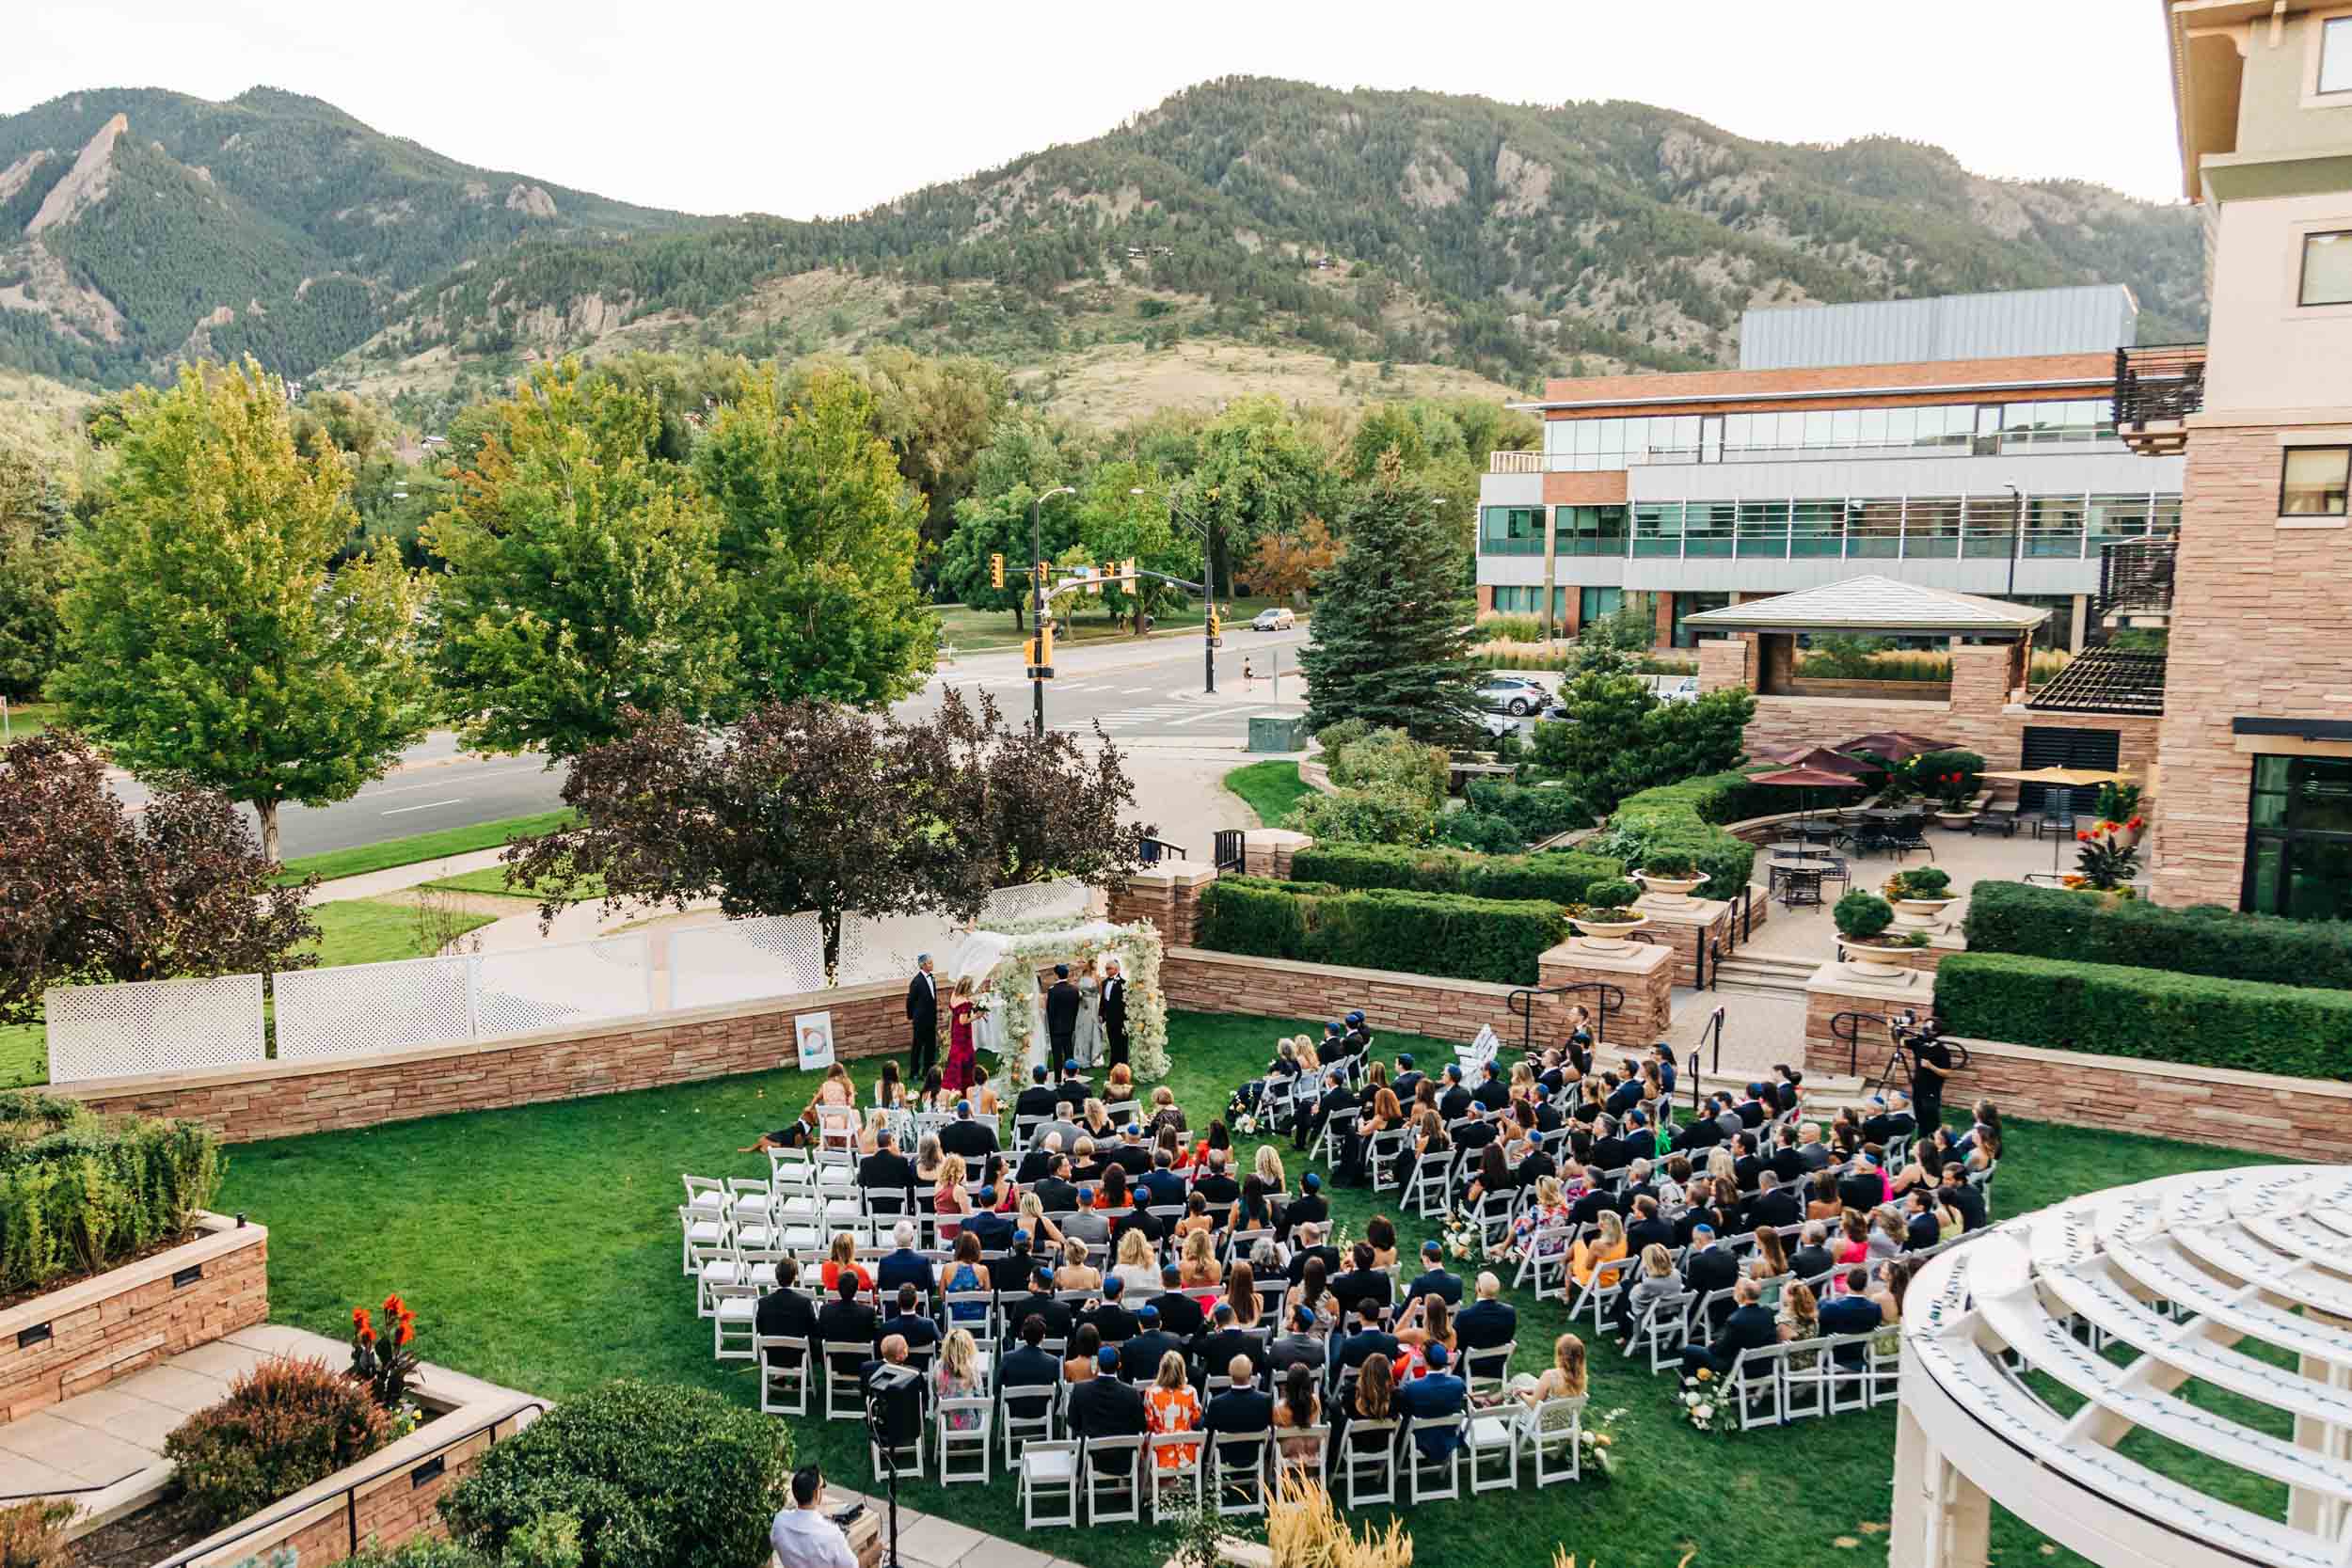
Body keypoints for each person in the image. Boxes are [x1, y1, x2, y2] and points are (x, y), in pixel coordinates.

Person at [1070, 1346, 1150, 1473]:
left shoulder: (1080, 1390)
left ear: (1098, 1365)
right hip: (1123, 1460)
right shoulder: (1132, 1393)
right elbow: (1141, 1427)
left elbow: (1073, 1423)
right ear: (1119, 1365)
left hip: (1090, 1458)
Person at [1678, 1277, 1778, 1377]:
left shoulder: (1735, 1320)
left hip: (1739, 1367)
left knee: (1688, 1350)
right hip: (1765, 1366)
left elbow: (1720, 1350)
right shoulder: (1768, 1312)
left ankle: (1688, 1388)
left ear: (1740, 1294)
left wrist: (1713, 1345)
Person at [771, 1464, 856, 1568]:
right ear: (816, 1493)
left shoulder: (780, 1522)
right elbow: (853, 1566)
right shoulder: (832, 1535)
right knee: (872, 1551)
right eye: (822, 1486)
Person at [1393, 1342, 1467, 1459]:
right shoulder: (1458, 1383)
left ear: (1424, 1361)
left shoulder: (1411, 1387)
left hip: (1420, 1438)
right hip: (1448, 1435)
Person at [1611, 1243, 1681, 1344]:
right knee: (1628, 1285)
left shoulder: (1649, 1283)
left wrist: (1637, 1286)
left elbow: (1635, 1301)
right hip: (1669, 1309)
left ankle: (1625, 1336)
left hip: (1652, 1312)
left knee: (1625, 1291)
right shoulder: (1676, 1273)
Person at [1146, 1348, 1204, 1471]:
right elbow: (1196, 1419)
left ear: (1161, 1370)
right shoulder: (1191, 1391)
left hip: (1160, 1452)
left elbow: (1149, 1423)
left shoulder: (1151, 1393)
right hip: (1187, 1454)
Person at [755, 1258, 818, 1371]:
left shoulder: (764, 1303)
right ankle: (798, 1379)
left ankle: (780, 1375)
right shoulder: (804, 1303)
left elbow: (760, 1329)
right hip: (799, 1357)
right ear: (795, 1277)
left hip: (771, 1356)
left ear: (776, 1277)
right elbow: (813, 1330)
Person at [1509, 1332, 1589, 1417]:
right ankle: (1496, 1400)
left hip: (1538, 1423)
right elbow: (1549, 1394)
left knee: (1515, 1383)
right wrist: (1527, 1390)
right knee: (1522, 1378)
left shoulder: (1550, 1376)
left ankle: (1499, 1410)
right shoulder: (1582, 1378)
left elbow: (1533, 1404)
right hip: (1565, 1423)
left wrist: (1520, 1393)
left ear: (1561, 1355)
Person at [1273, 1361, 1323, 1471]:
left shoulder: (1279, 1409)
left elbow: (1276, 1435)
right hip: (1311, 1449)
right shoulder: (1316, 1401)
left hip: (1289, 1451)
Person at [1454, 1272, 1517, 1358]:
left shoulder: (1464, 1316)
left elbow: (1456, 1345)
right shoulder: (1510, 1313)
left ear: (1478, 1288)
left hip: (1468, 1367)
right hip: (1496, 1365)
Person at [935, 1327, 984, 1430]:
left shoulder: (938, 1366)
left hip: (945, 1421)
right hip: (970, 1423)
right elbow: (980, 1396)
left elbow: (934, 1390)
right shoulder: (973, 1370)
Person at [905, 955, 940, 1082]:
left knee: (931, 1045)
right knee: (917, 1046)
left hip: (931, 1019)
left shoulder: (932, 978)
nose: (932, 964)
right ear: (923, 965)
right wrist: (912, 1016)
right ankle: (914, 1072)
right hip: (920, 1020)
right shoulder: (916, 982)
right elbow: (910, 1001)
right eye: (930, 963)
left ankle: (928, 1070)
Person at [1044, 964, 1083, 1065]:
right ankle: (1070, 1074)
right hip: (1069, 1026)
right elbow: (1076, 1009)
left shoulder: (1052, 990)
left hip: (1055, 1028)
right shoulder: (1074, 990)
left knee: (1057, 1054)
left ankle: (1057, 1078)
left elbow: (1050, 1011)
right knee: (1069, 1051)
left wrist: (1051, 1027)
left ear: (1056, 975)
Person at [1404, 1241, 1462, 1307]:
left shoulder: (1419, 1282)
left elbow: (1404, 1309)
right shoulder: (1457, 1280)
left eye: (1421, 1260)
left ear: (1426, 1259)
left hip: (1424, 1317)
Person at [1102, 957, 1130, 1069]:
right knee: (1112, 1040)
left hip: (1120, 1018)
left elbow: (1126, 1002)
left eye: (1109, 968)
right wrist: (1101, 1014)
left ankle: (1123, 1064)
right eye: (1106, 968)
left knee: (1121, 1042)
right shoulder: (1104, 982)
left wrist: (1126, 1018)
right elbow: (1103, 1000)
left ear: (1117, 969)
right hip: (1109, 1017)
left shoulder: (1123, 983)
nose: (1107, 970)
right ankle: (1113, 1063)